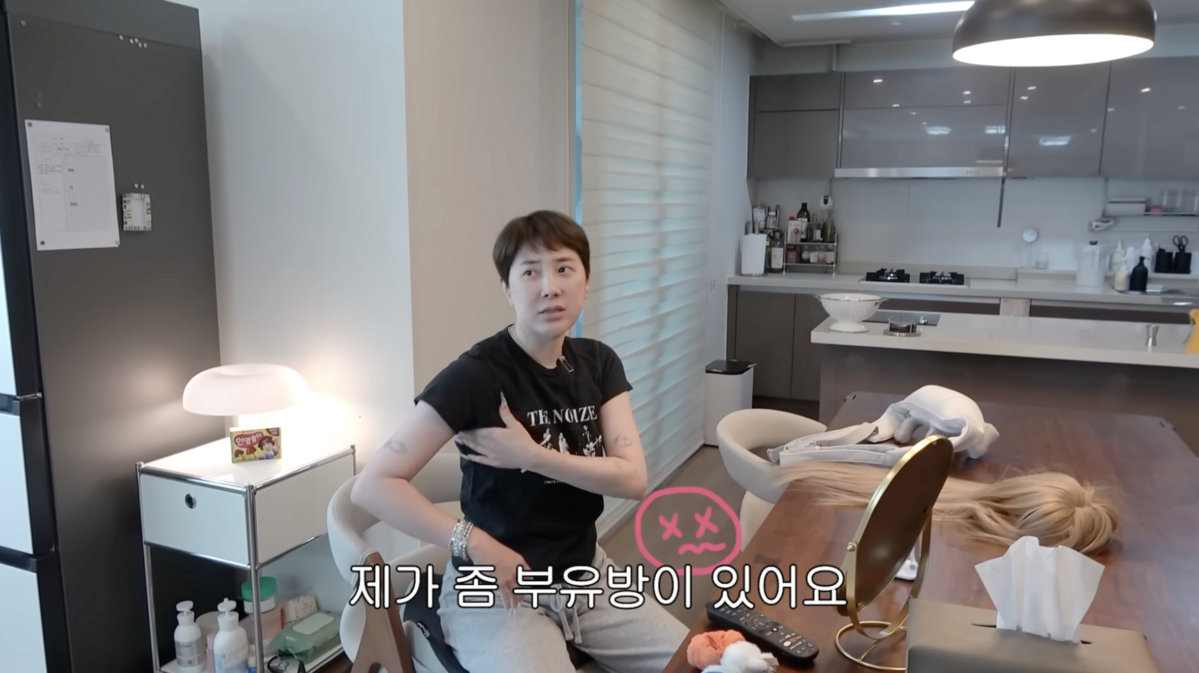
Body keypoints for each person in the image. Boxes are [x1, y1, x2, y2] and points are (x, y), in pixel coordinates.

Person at [351, 210, 689, 673]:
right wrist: (474, 543)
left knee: (705, 663)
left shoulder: (598, 363)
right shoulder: (476, 375)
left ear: (586, 281)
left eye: (564, 268)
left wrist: (531, 455)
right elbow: (372, 486)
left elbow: (632, 479)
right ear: (508, 289)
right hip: (496, 593)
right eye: (530, 272)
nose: (550, 287)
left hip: (588, 577)